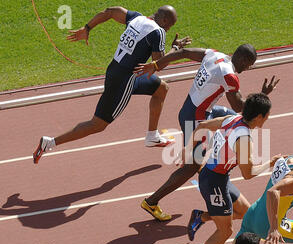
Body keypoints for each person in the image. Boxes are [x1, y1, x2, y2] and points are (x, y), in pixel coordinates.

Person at [136, 44, 279, 221]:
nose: (248, 68)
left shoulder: (214, 54)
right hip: (197, 118)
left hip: (192, 109)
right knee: (192, 166)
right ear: (242, 59)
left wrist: (157, 65)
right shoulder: (230, 77)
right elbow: (241, 107)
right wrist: (263, 95)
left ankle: (207, 155)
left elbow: (184, 52)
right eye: (249, 64)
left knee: (234, 119)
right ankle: (151, 202)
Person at [33, 5, 192, 164]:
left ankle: (152, 136)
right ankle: (50, 142)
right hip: (124, 81)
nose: (169, 29)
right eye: (170, 25)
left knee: (161, 88)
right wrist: (176, 49)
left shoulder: (137, 18)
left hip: (116, 70)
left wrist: (87, 28)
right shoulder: (158, 32)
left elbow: (111, 11)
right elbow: (158, 64)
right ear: (164, 20)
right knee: (98, 124)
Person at [183, 93, 281, 244]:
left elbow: (203, 126)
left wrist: (188, 149)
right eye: (267, 115)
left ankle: (201, 217)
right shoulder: (243, 139)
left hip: (218, 177)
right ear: (258, 117)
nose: (268, 118)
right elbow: (248, 174)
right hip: (214, 183)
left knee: (246, 212)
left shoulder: (232, 118)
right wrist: (270, 163)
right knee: (225, 231)